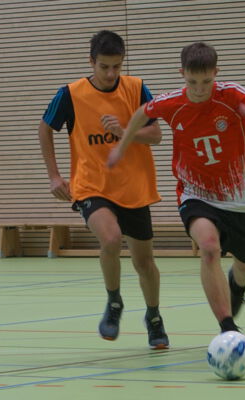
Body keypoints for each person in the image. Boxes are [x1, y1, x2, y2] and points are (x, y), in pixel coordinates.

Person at [108, 42, 245, 333]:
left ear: (216, 72)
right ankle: (227, 327)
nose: (200, 89)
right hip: (196, 195)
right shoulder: (173, 103)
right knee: (209, 248)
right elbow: (141, 113)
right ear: (182, 74)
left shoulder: (233, 95)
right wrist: (122, 145)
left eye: (206, 81)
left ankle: (236, 286)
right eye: (192, 82)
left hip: (240, 198)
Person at [38, 30, 169, 349]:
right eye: (105, 67)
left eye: (117, 67)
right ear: (91, 62)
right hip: (91, 185)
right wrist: (54, 176)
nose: (111, 74)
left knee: (144, 262)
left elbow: (156, 136)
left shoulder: (136, 88)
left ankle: (154, 317)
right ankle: (114, 302)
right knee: (110, 238)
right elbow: (45, 128)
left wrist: (124, 132)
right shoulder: (71, 94)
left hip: (134, 187)